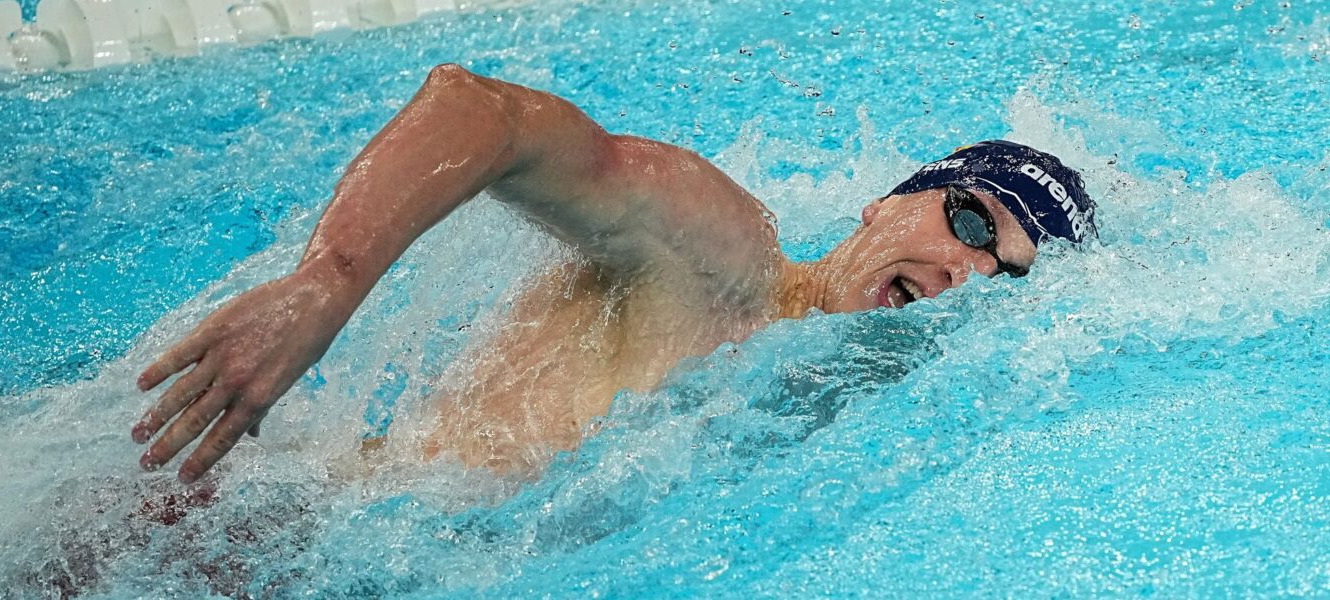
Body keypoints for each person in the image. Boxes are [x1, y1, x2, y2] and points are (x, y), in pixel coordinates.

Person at [131, 64, 1097, 483]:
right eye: (970, 218)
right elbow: (485, 115)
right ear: (884, 204)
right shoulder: (723, 257)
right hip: (230, 516)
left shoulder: (837, 414)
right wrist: (326, 282)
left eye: (1003, 273)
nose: (966, 269)